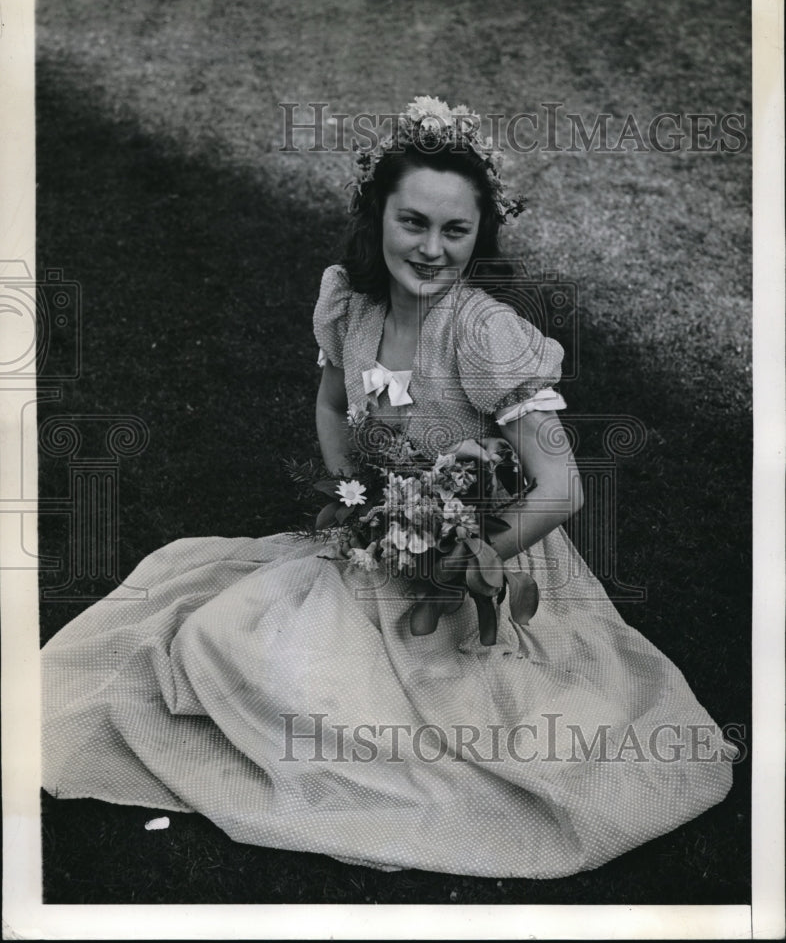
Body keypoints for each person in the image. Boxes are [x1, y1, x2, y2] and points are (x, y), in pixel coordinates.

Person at [41, 96, 736, 879]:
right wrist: (356, 497)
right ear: (378, 217)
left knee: (398, 714)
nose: (432, 249)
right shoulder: (352, 305)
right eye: (413, 222)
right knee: (213, 638)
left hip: (476, 568)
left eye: (455, 231)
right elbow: (334, 400)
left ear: (480, 236)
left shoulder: (483, 335)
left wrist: (464, 552)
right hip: (382, 545)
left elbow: (561, 486)